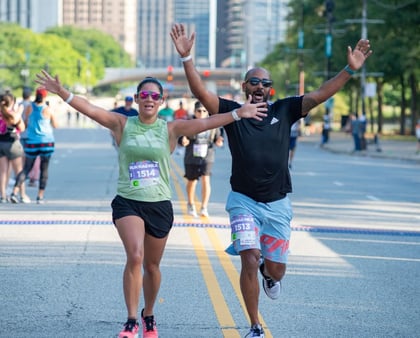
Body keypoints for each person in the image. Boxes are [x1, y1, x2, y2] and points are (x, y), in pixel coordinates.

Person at [171, 23, 372, 338]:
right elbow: (201, 93)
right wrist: (186, 59)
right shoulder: (232, 112)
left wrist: (349, 69)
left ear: (270, 89)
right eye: (255, 81)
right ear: (245, 86)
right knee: (248, 256)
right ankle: (254, 325)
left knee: (274, 269)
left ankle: (270, 272)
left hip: (278, 203)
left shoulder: (285, 109)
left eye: (266, 83)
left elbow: (320, 94)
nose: (260, 86)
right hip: (243, 202)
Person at [34, 69, 267, 338]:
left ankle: (149, 314)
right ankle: (131, 320)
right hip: (128, 202)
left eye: (154, 96)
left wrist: (239, 113)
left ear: (161, 101)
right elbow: (90, 109)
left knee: (152, 267)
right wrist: (62, 91)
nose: (149, 99)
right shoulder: (122, 124)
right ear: (136, 99)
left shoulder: (171, 129)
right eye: (144, 94)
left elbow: (207, 123)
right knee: (135, 255)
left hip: (158, 204)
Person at [10, 87, 58, 204]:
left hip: (32, 141)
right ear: (45, 96)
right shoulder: (48, 109)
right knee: (44, 169)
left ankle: (15, 192)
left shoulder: (29, 108)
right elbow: (56, 125)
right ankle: (40, 196)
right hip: (46, 142)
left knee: (26, 168)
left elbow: (25, 123)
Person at [179, 101, 223, 217]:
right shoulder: (188, 123)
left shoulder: (213, 124)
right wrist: (183, 141)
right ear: (194, 112)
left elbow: (218, 137)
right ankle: (190, 204)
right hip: (191, 157)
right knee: (192, 181)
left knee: (205, 179)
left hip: (207, 155)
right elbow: (181, 137)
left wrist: (219, 141)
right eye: (199, 111)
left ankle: (204, 207)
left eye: (204, 111)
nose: (202, 113)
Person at [0, 92, 28, 203]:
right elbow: (22, 128)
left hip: (0, 143)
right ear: (12, 102)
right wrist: (20, 111)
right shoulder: (13, 114)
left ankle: (2, 195)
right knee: (19, 171)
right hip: (13, 143)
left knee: (3, 172)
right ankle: (22, 194)